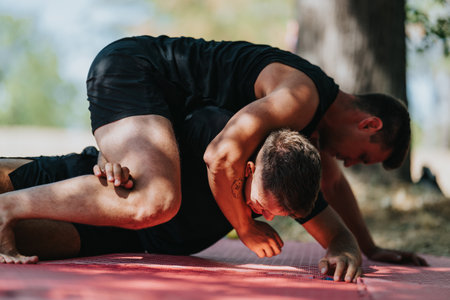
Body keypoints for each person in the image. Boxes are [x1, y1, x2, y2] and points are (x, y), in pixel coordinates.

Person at [0, 35, 423, 275]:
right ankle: (9, 206)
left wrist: (362, 248)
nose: (349, 163)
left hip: (167, 124)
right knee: (155, 199)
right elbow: (221, 155)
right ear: (370, 125)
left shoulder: (300, 140)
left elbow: (327, 185)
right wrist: (246, 227)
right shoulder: (301, 97)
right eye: (363, 157)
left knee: (133, 191)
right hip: (138, 70)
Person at [1, 107, 362, 282]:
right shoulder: (211, 132)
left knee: (19, 242)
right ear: (247, 169)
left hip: (109, 239)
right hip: (85, 186)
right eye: (259, 206)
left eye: (274, 215)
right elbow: (131, 127)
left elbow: (338, 235)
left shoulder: (288, 183)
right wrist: (108, 157)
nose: (265, 218)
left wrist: (346, 254)